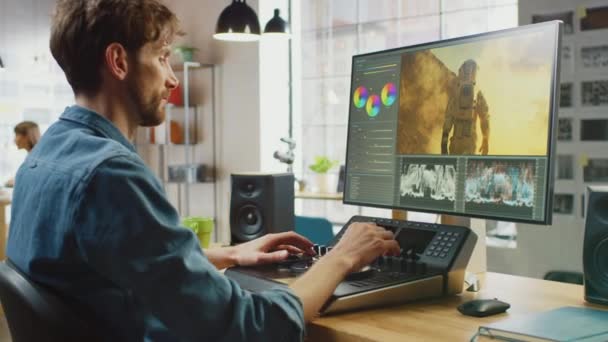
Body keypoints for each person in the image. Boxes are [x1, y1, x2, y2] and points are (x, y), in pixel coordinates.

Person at [7, 1, 400, 341]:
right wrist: (341, 257)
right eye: (162, 57)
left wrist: (226, 255)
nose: (173, 78)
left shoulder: (46, 156)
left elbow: (101, 268)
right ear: (119, 61)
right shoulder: (111, 174)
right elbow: (248, 331)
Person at [441, 59, 490, 155]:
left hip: (462, 142)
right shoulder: (474, 93)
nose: (469, 72)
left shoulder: (461, 93)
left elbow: (448, 119)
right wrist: (485, 140)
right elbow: (484, 118)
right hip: (465, 143)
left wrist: (443, 143)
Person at [4, 121, 41, 187]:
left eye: (16, 135)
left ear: (27, 136)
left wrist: (18, 182)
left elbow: (35, 181)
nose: (14, 140)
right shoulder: (32, 156)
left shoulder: (37, 159)